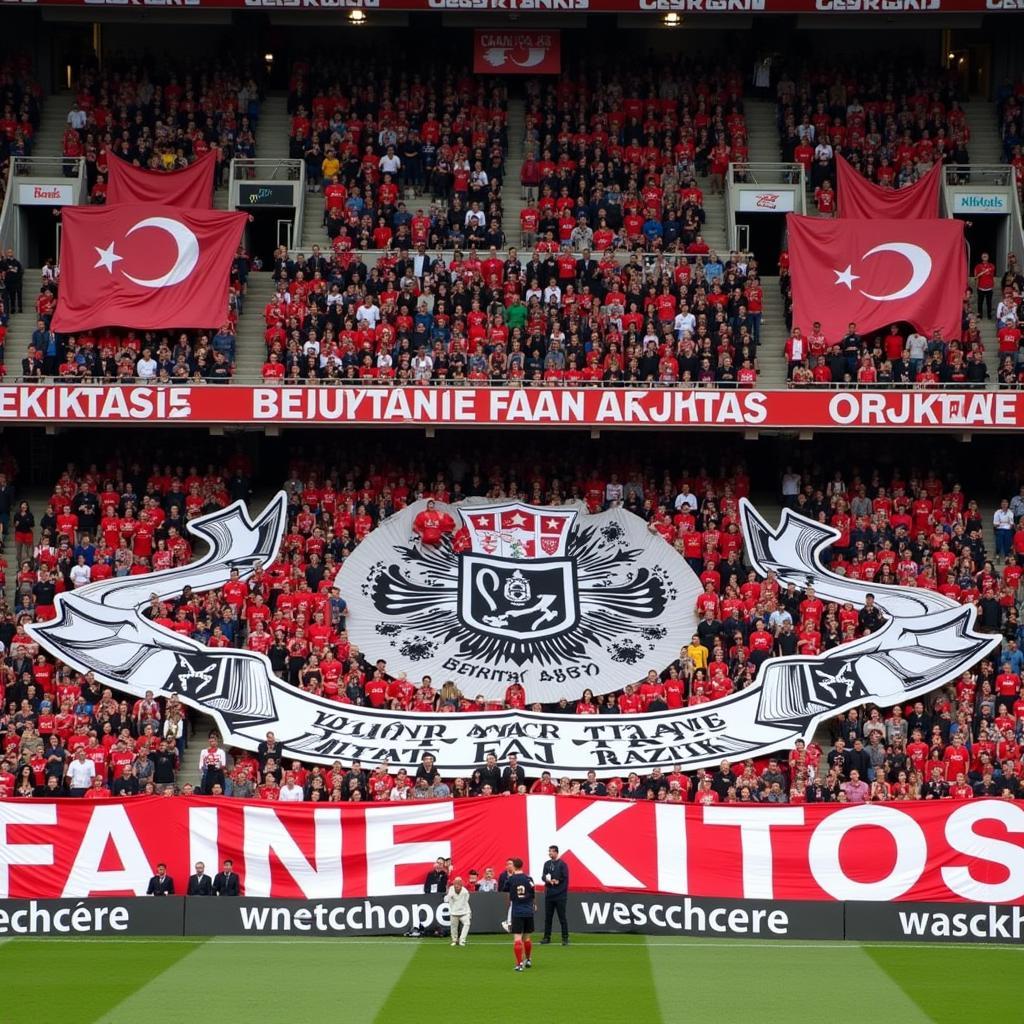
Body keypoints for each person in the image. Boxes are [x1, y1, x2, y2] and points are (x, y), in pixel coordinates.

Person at [506, 857, 535, 972]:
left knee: (517, 938)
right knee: (527, 938)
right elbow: (533, 892)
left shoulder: (511, 879)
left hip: (517, 911)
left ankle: (519, 964)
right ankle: (528, 960)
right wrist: (533, 904)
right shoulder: (528, 878)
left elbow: (505, 889)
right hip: (528, 910)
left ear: (514, 866)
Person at [540, 844, 570, 945]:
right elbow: (543, 876)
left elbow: (565, 878)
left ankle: (565, 938)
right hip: (549, 895)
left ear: (556, 852)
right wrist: (548, 880)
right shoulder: (546, 864)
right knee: (548, 918)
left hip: (560, 895)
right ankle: (546, 938)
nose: (550, 853)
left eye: (552, 851)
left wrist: (558, 881)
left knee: (562, 917)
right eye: (549, 851)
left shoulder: (562, 864)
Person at [445, 875, 472, 946]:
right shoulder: (451, 889)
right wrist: (449, 895)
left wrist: (468, 912)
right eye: (455, 883)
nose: (456, 885)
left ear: (461, 885)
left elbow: (466, 902)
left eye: (458, 884)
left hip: (464, 912)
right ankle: (454, 940)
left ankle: (462, 940)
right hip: (454, 912)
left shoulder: (465, 892)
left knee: (467, 923)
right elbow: (446, 899)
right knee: (453, 927)